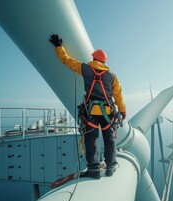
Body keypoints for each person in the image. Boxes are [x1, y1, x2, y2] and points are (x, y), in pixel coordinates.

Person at [49, 34, 126, 179]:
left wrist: (59, 47)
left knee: (91, 139)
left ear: (94, 59)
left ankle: (94, 169)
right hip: (107, 113)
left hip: (90, 112)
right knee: (109, 139)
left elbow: (67, 61)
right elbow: (118, 95)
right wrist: (122, 111)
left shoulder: (86, 69)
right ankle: (110, 167)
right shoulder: (112, 76)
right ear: (104, 61)